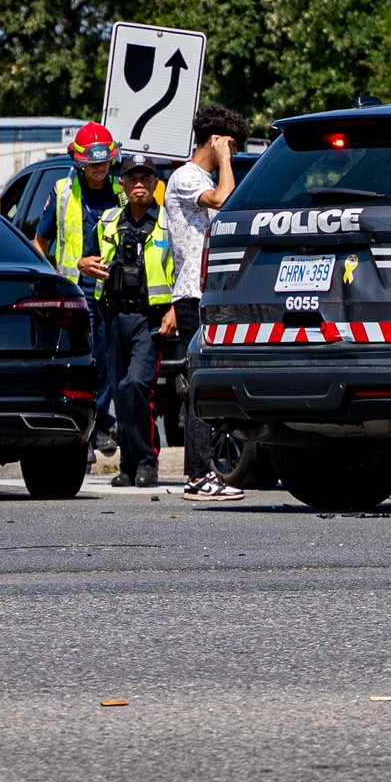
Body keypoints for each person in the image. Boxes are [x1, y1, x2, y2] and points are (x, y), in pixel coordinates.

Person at [167, 103, 249, 500]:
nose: (230, 154)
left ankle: (210, 468)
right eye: (228, 145)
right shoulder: (185, 176)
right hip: (193, 296)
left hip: (213, 294)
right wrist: (223, 160)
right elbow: (223, 201)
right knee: (199, 384)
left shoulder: (201, 175)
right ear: (215, 140)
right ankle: (198, 473)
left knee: (213, 384)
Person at [35, 123, 121, 454]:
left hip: (112, 291)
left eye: (105, 163)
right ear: (80, 162)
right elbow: (40, 243)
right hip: (74, 294)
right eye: (94, 165)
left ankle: (99, 422)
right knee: (78, 363)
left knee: (107, 361)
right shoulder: (63, 192)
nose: (100, 170)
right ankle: (84, 432)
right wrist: (51, 282)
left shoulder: (121, 191)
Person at [94, 153, 174, 488]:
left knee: (136, 385)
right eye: (132, 179)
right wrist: (85, 265)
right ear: (123, 184)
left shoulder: (168, 223)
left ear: (155, 184)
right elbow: (87, 258)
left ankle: (146, 460)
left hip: (150, 317)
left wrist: (174, 310)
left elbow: (182, 268)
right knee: (117, 389)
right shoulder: (108, 220)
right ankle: (128, 464)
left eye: (145, 179)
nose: (138, 184)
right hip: (113, 314)